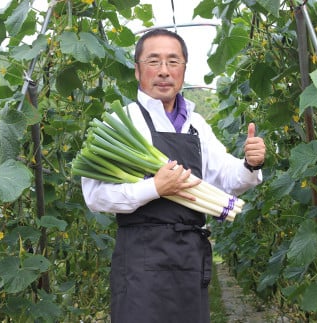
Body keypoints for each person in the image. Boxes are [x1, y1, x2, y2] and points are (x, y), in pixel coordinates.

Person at [81, 28, 266, 323]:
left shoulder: (196, 125)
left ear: (183, 69)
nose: (164, 71)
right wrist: (154, 187)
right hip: (141, 258)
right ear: (137, 69)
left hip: (190, 255)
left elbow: (227, 177)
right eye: (153, 61)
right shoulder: (119, 122)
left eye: (173, 62)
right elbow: (95, 196)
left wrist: (250, 164)